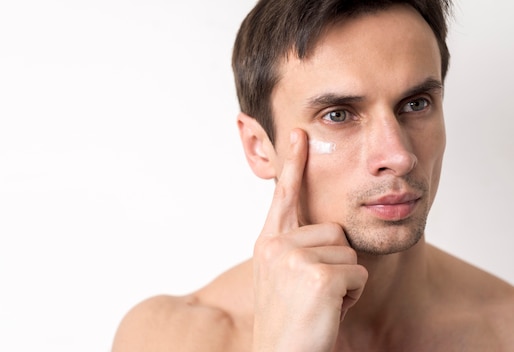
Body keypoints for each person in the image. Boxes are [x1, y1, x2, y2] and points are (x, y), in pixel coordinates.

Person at [112, 0, 514, 350]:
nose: (398, 155)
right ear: (258, 146)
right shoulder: (170, 339)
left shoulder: (504, 329)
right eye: (338, 115)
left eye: (416, 104)